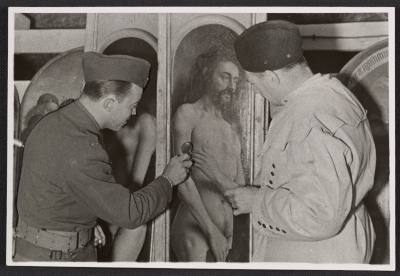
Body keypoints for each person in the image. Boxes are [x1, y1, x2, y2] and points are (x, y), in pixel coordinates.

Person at [14, 52, 192, 262]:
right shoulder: (83, 147)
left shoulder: (54, 123)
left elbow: (57, 193)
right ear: (108, 104)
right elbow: (131, 213)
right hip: (59, 259)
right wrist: (168, 179)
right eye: (132, 106)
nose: (133, 114)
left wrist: (87, 222)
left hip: (38, 249)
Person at [225, 20, 376, 263]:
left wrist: (256, 201)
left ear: (272, 77)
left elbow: (321, 215)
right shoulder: (333, 94)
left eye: (254, 84)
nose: (255, 92)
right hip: (341, 244)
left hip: (316, 254)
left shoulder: (308, 117)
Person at [170, 48, 245, 262]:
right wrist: (211, 231)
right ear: (206, 73)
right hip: (195, 229)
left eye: (236, 80)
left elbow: (239, 190)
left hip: (225, 234)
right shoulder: (188, 114)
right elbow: (181, 180)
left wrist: (216, 174)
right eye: (225, 77)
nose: (232, 86)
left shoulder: (231, 130)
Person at [100, 88, 157, 262]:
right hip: (98, 203)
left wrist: (114, 220)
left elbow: (137, 181)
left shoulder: (145, 122)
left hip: (124, 204)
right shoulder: (103, 120)